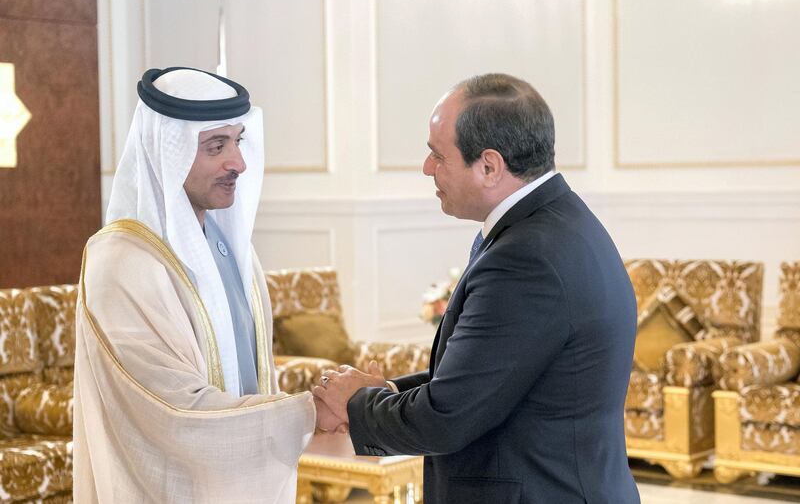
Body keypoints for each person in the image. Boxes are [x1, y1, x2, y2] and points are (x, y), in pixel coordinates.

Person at [313, 73, 640, 503]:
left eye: (437, 155)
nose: (427, 168)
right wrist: (389, 392)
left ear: (489, 165)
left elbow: (448, 418)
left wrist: (356, 404)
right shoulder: (556, 222)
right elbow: (490, 375)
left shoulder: (525, 257)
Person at [73, 67, 316, 503]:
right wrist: (310, 411)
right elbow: (174, 410)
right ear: (168, 150)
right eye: (215, 147)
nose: (238, 163)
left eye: (237, 141)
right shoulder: (121, 262)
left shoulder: (233, 250)